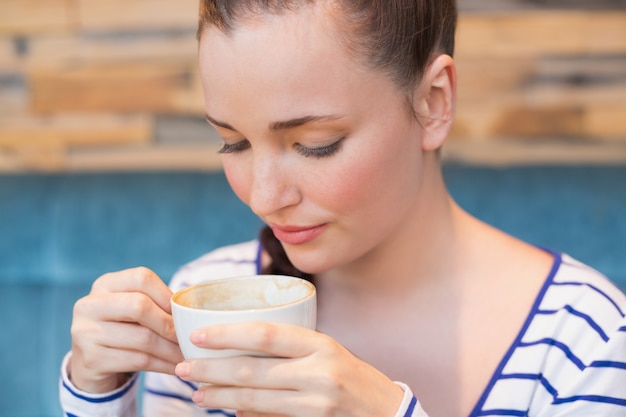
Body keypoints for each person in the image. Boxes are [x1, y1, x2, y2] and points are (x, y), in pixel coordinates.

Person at [59, 0, 626, 416]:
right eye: (233, 142)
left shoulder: (586, 343)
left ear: (433, 103)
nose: (263, 197)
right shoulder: (204, 303)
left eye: (315, 145)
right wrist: (96, 391)